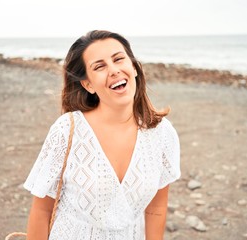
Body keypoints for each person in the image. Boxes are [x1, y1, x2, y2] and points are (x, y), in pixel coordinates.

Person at [23, 30, 181, 240]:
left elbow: (156, 207)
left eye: (118, 59)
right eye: (99, 66)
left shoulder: (162, 133)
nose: (114, 70)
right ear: (87, 84)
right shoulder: (67, 130)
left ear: (133, 67)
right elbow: (42, 210)